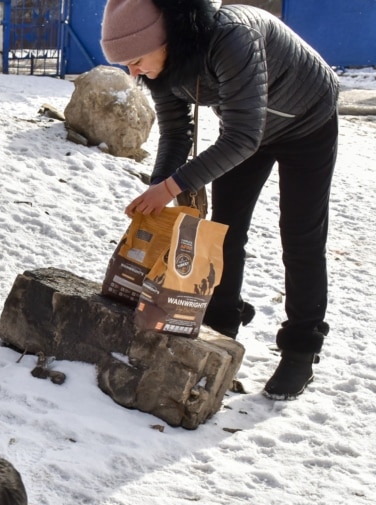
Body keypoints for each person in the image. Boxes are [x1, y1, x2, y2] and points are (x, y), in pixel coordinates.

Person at [101, 0, 339, 400]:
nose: (133, 72)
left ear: (166, 38)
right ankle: (221, 324)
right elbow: (177, 132)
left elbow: (243, 137)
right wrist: (160, 189)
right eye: (126, 64)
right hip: (249, 128)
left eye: (137, 59)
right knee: (225, 231)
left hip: (307, 119)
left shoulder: (231, 36)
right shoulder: (162, 66)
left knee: (301, 237)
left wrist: (172, 188)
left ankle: (301, 348)